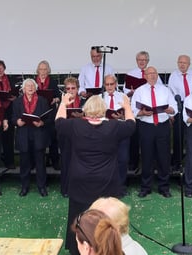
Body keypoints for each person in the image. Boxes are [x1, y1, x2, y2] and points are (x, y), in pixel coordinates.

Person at [56, 91, 135, 255]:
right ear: (104, 110)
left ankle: (78, 249)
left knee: (78, 216)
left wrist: (63, 103)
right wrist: (127, 106)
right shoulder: (113, 126)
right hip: (106, 181)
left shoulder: (75, 125)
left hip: (80, 181)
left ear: (86, 110)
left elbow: (59, 122)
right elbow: (131, 125)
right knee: (105, 217)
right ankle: (107, 247)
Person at [131, 66, 177, 198]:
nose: (152, 76)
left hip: (162, 125)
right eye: (149, 73)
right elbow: (133, 110)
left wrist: (170, 110)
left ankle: (164, 187)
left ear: (157, 75)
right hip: (146, 126)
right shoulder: (139, 91)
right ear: (145, 76)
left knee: (164, 157)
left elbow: (174, 107)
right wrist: (142, 112)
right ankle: (146, 187)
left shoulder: (165, 90)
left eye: (154, 73)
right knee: (147, 157)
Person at [13, 78, 50, 197]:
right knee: (24, 163)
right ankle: (24, 187)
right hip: (24, 134)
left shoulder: (42, 101)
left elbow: (48, 117)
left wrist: (42, 123)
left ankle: (42, 187)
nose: (30, 88)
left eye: (32, 86)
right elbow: (13, 117)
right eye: (27, 86)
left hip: (38, 134)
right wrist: (17, 122)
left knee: (40, 163)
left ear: (36, 88)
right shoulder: (17, 102)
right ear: (23, 89)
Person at [124, 51, 158, 173]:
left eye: (144, 60)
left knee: (149, 140)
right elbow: (125, 92)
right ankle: (133, 164)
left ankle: (149, 164)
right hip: (136, 109)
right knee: (134, 138)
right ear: (136, 60)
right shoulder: (130, 74)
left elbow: (157, 91)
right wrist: (131, 92)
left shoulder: (152, 73)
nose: (142, 62)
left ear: (147, 61)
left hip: (149, 111)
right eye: (139, 60)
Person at [167, 55, 192, 169]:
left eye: (184, 62)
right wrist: (171, 113)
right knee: (178, 136)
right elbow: (170, 94)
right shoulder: (173, 75)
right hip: (179, 107)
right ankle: (177, 162)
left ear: (189, 64)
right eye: (180, 62)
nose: (182, 64)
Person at [102, 73, 131, 191]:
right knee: (106, 159)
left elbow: (130, 113)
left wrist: (122, 116)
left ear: (116, 84)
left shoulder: (123, 96)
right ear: (104, 85)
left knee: (122, 159)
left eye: (112, 84)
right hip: (105, 131)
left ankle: (121, 186)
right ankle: (106, 185)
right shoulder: (99, 97)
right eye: (107, 84)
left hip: (121, 130)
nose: (109, 87)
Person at [59, 76, 84, 197]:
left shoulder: (85, 102)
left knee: (81, 162)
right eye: (68, 88)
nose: (70, 90)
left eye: (73, 88)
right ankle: (65, 189)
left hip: (81, 135)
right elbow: (57, 120)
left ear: (78, 89)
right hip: (66, 135)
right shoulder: (61, 103)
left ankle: (80, 187)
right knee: (66, 161)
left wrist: (81, 116)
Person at [0, 59, 17, 169]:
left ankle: (9, 161)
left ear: (4, 69)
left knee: (8, 137)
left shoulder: (10, 79)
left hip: (8, 109)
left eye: (1, 68)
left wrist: (14, 97)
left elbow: (14, 92)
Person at [36, 60, 61, 169]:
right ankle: (39, 162)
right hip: (37, 112)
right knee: (38, 138)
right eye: (41, 69)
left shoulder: (53, 82)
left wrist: (55, 99)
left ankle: (54, 161)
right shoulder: (33, 82)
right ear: (38, 70)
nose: (43, 71)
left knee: (52, 137)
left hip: (50, 112)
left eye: (45, 69)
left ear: (48, 70)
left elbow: (58, 96)